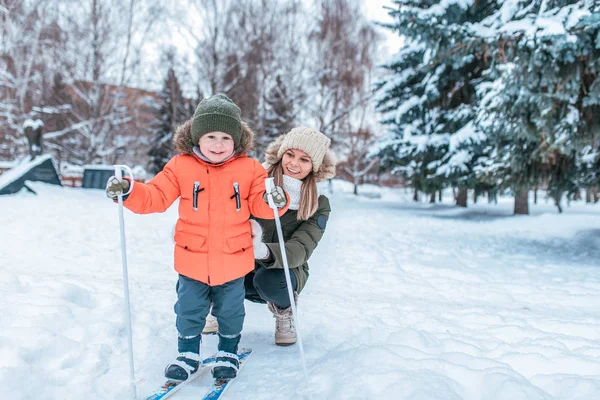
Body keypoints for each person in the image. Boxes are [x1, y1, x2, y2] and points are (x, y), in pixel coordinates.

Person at [105, 94, 288, 381]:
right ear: (196, 137)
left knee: (230, 310)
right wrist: (129, 192)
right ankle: (188, 352)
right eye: (211, 136)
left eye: (226, 138)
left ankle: (228, 351)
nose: (218, 144)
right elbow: (155, 196)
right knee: (189, 308)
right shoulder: (180, 166)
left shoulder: (249, 169)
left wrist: (276, 199)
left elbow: (259, 203)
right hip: (192, 257)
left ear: (237, 141)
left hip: (233, 258)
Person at [203, 127, 336, 346]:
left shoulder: (318, 203)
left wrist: (263, 250)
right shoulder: (255, 182)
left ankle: (285, 313)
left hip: (283, 271)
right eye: (290, 154)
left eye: (304, 160)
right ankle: (219, 308)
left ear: (315, 167)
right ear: (281, 154)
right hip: (242, 261)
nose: (294, 163)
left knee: (271, 279)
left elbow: (301, 248)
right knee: (214, 264)